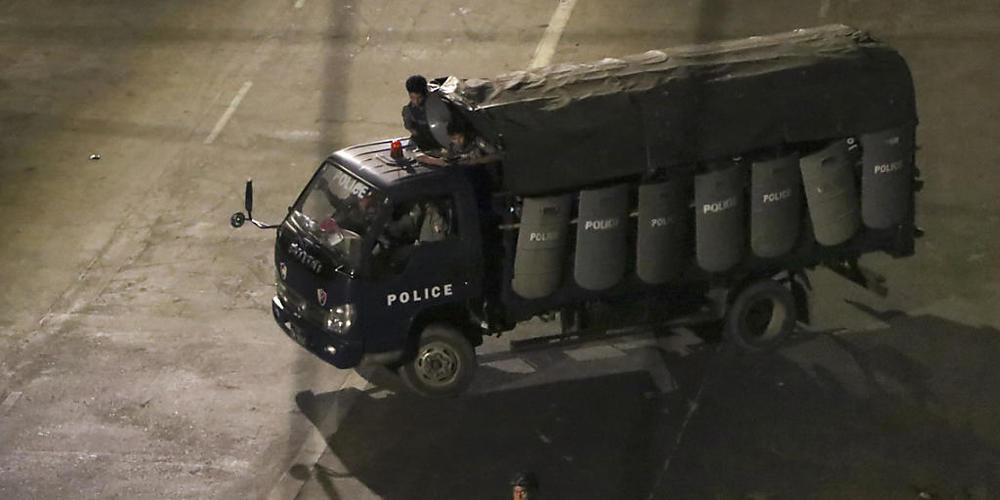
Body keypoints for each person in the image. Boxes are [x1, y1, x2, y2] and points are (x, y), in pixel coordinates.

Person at [401, 75, 440, 151]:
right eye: (412, 98)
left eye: (419, 98)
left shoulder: (437, 104)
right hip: (421, 140)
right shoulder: (408, 111)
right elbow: (411, 128)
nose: (416, 102)